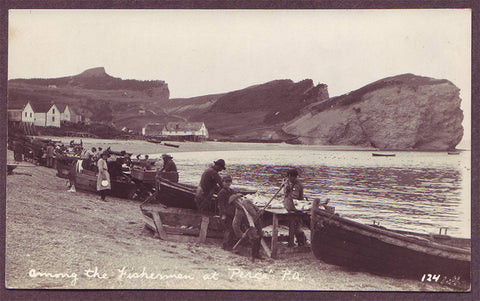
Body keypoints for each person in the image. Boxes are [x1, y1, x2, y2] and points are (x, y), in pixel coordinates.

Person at [231, 194, 264, 261]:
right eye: (235, 203)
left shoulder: (247, 202)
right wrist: (240, 234)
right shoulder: (238, 212)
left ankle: (257, 254)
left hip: (257, 221)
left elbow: (256, 208)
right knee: (255, 238)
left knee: (260, 236)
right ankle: (253, 256)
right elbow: (235, 224)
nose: (237, 203)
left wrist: (260, 211)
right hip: (249, 225)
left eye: (238, 200)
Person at [283, 168, 307, 246]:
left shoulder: (297, 185)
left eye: (289, 177)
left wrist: (287, 190)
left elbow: (294, 196)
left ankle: (302, 242)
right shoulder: (290, 183)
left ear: (292, 177)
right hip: (292, 206)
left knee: (296, 226)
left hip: (297, 208)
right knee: (293, 225)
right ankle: (296, 241)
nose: (288, 179)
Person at [217, 175, 238, 250]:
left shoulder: (230, 191)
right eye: (226, 182)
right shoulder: (222, 192)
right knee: (229, 229)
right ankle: (225, 245)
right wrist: (223, 215)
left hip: (231, 213)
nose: (228, 183)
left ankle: (229, 244)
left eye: (229, 182)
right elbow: (221, 205)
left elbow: (234, 195)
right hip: (225, 213)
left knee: (232, 228)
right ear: (222, 182)